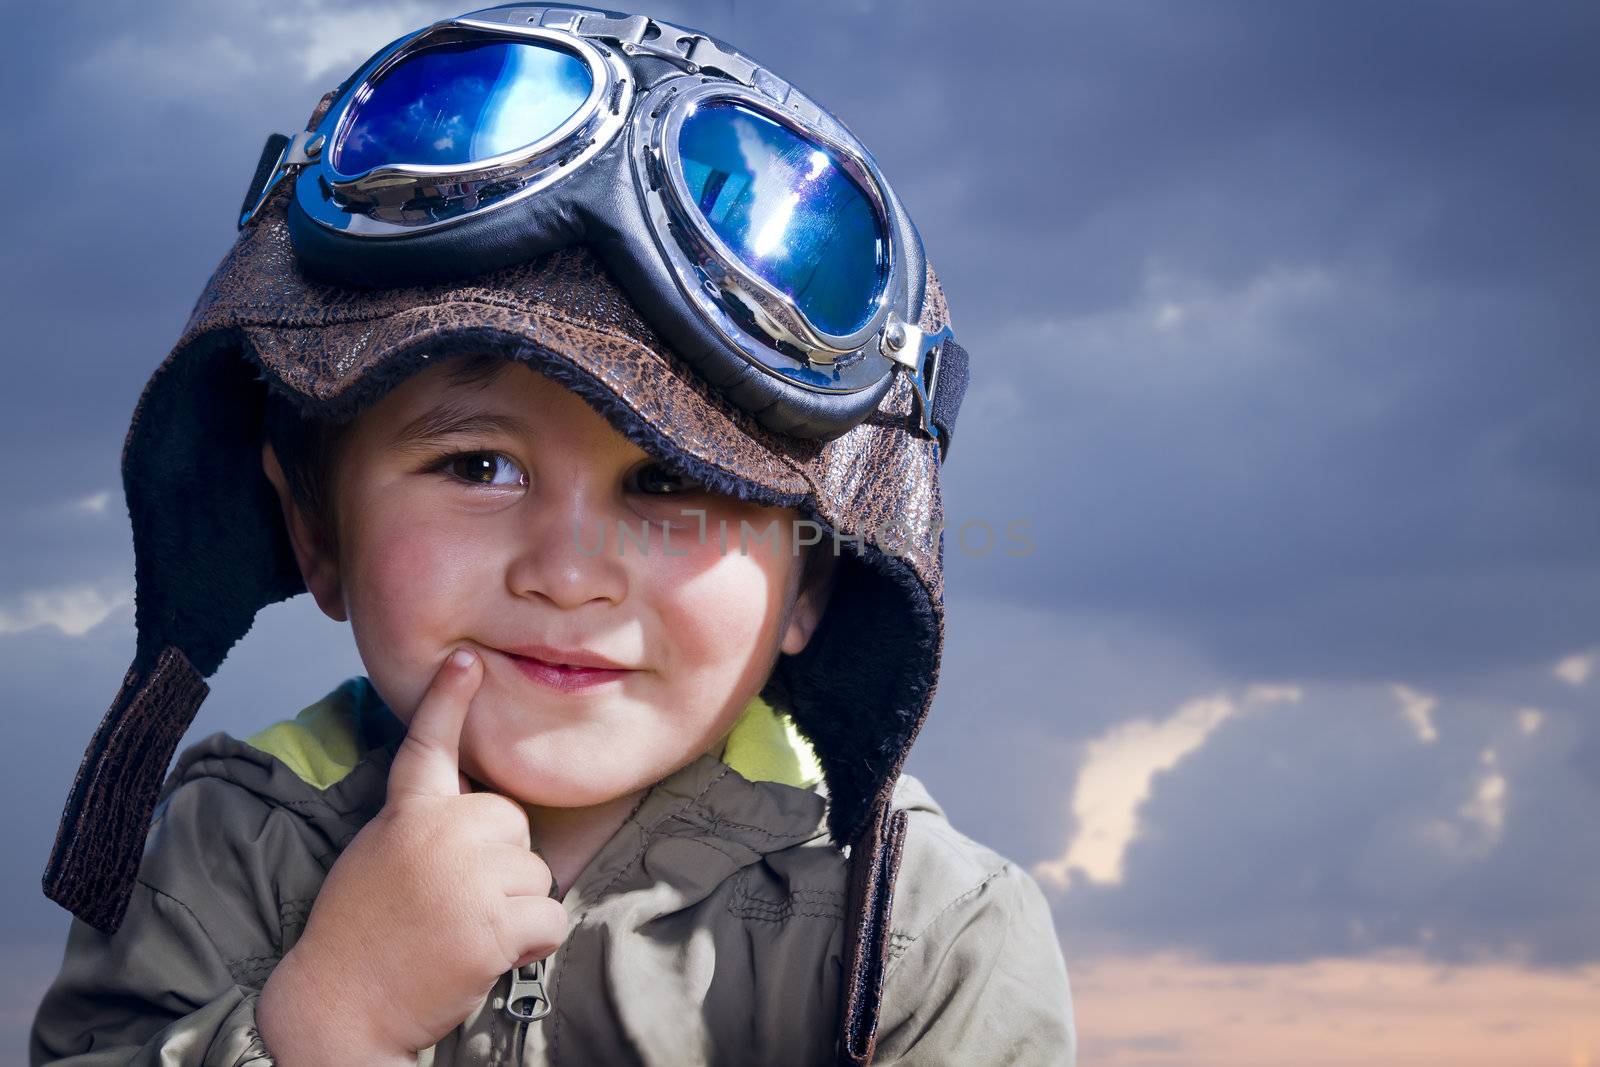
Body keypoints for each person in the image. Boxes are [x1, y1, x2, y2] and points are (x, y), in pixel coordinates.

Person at [29, 4, 1076, 1064]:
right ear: (314, 528)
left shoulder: (921, 940)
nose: (569, 573)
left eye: (672, 478)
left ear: (813, 579)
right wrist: (331, 1019)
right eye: (478, 465)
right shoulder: (226, 851)